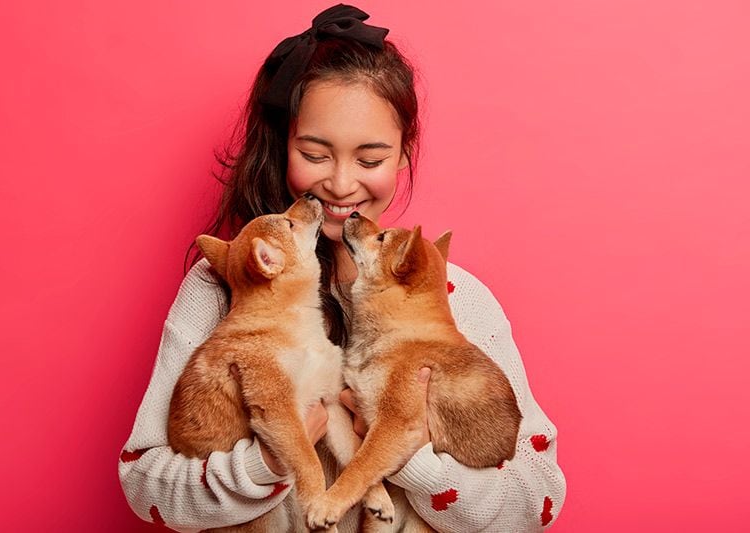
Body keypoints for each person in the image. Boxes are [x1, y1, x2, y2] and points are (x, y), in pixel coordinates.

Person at [118, 4, 566, 532]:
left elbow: (536, 500)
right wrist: (267, 462)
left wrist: (411, 455)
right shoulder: (221, 288)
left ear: (404, 154)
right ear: (283, 144)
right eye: (315, 153)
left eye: (370, 160)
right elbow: (145, 479)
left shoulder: (454, 296)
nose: (341, 183)